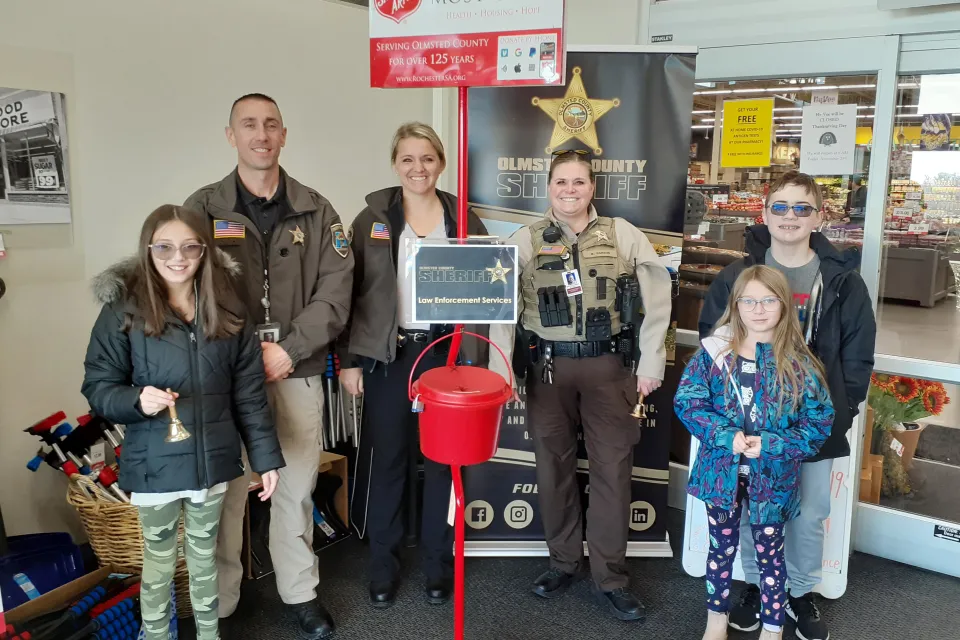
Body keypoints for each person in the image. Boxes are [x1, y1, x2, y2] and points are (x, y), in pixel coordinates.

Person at [184, 93, 353, 639]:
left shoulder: (317, 208)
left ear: (284, 134)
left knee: (296, 485)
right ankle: (222, 598)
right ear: (230, 135)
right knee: (227, 490)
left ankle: (300, 592)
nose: (261, 134)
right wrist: (239, 352)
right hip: (224, 375)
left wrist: (288, 348)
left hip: (295, 368)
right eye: (249, 125)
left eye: (271, 125)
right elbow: (183, 283)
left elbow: (336, 291)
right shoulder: (202, 208)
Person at [81, 205, 285, 640]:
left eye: (190, 247)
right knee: (157, 569)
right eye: (165, 247)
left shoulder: (228, 307)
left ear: (204, 251)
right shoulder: (124, 309)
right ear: (148, 249)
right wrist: (136, 400)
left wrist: (266, 459)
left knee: (205, 561)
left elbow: (249, 393)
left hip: (212, 464)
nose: (178, 257)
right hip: (154, 467)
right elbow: (98, 386)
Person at [488, 150, 673, 622]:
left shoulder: (622, 234)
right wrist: (501, 369)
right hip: (547, 371)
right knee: (553, 467)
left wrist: (652, 362)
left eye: (579, 182)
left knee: (613, 471)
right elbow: (502, 306)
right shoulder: (525, 240)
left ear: (593, 188)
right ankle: (563, 562)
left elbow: (657, 299)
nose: (569, 190)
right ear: (548, 188)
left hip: (610, 369)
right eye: (561, 182)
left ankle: (610, 577)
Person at [699, 170, 876, 640]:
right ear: (765, 213)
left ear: (818, 216)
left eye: (802, 208)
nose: (790, 217)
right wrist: (728, 418)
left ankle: (799, 591)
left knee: (812, 510)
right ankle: (758, 585)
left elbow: (859, 355)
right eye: (780, 206)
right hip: (748, 426)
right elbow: (711, 343)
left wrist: (841, 411)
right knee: (752, 508)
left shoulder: (842, 282)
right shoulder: (737, 277)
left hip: (811, 427)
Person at [338, 122, 488, 608]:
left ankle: (437, 565)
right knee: (390, 464)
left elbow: (486, 290)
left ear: (440, 163)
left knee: (445, 465)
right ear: (395, 163)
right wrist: (351, 361)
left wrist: (476, 358)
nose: (417, 168)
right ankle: (382, 564)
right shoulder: (372, 219)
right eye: (407, 158)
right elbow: (348, 293)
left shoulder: (463, 219)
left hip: (446, 357)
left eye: (427, 158)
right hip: (390, 357)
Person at [677, 265, 835, 640]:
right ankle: (716, 620)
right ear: (736, 304)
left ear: (784, 306)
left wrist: (775, 444)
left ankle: (773, 625)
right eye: (749, 300)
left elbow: (818, 424)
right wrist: (723, 434)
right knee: (720, 551)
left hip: (772, 481)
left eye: (768, 300)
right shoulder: (714, 355)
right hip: (720, 475)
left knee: (770, 554)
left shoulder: (799, 365)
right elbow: (689, 402)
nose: (758, 308)